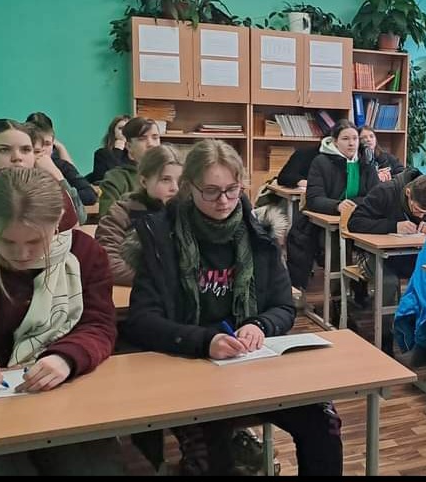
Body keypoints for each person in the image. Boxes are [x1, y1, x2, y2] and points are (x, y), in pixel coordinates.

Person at [123, 140, 342, 476]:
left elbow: (283, 306)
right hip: (187, 368)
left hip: (251, 365)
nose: (223, 201)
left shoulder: (259, 235)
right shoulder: (162, 239)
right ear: (189, 187)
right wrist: (204, 341)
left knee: (322, 424)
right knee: (210, 454)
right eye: (210, 191)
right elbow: (142, 320)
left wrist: (259, 325)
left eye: (231, 189)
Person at [0, 167, 121, 475]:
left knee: (92, 467)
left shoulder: (84, 253)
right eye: (7, 241)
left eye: (36, 242)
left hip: (54, 391)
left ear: (57, 222)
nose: (22, 254)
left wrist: (65, 358)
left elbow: (99, 324)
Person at [348, 169, 426, 350]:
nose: (421, 215)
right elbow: (355, 222)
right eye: (417, 210)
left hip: (409, 254)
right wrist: (393, 226)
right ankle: (385, 339)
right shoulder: (384, 192)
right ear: (408, 193)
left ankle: (424, 337)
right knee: (388, 283)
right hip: (373, 254)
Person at [286, 120, 378, 301]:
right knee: (337, 245)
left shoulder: (366, 161)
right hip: (324, 225)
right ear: (335, 141)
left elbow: (375, 195)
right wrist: (337, 205)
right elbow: (314, 198)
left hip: (359, 220)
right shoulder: (321, 162)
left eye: (355, 139)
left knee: (373, 243)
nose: (351, 143)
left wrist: (353, 204)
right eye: (345, 139)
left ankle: (362, 291)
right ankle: (337, 299)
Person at [95, 144, 183, 286]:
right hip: (136, 291)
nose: (175, 188)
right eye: (165, 180)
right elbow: (108, 263)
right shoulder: (123, 211)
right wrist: (153, 281)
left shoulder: (189, 214)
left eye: (180, 181)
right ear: (144, 181)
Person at [24, 112, 97, 207]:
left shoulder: (62, 165)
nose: (42, 149)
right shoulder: (18, 166)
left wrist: (58, 177)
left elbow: (90, 196)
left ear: (53, 145)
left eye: (47, 144)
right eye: (35, 144)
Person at [98, 117, 161, 215]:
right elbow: (108, 219)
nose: (151, 144)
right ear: (129, 146)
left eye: (155, 138)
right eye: (142, 139)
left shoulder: (173, 175)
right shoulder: (116, 178)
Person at [88, 115, 131, 184]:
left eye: (128, 128)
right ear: (113, 132)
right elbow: (101, 180)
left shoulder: (135, 154)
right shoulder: (102, 154)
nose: (124, 131)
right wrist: (117, 151)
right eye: (121, 128)